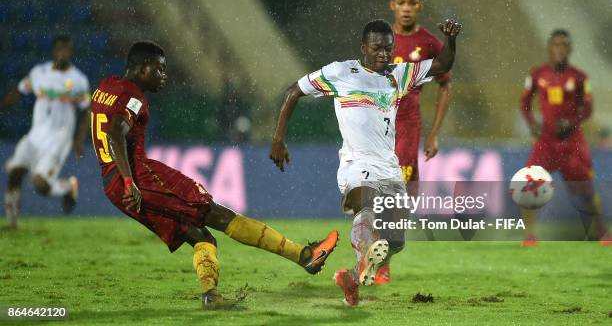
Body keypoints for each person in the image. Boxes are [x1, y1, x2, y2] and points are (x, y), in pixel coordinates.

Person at [90, 41, 338, 309]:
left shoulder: (106, 86)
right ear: (141, 68)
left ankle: (211, 295)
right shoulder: (135, 96)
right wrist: (130, 181)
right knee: (216, 213)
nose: (164, 76)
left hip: (111, 183)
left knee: (201, 236)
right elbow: (115, 132)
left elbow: (102, 124)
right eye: (159, 70)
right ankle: (304, 256)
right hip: (138, 178)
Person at [270, 19, 461, 306]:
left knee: (395, 242)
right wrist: (278, 138)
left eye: (388, 48)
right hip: (356, 162)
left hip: (389, 166)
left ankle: (352, 278)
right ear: (363, 48)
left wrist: (451, 40)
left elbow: (442, 65)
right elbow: (294, 90)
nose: (384, 54)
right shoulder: (341, 72)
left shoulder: (400, 74)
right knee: (366, 207)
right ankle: (363, 256)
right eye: (377, 48)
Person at [520, 29, 610, 247]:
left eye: (564, 44)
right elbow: (524, 103)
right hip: (547, 141)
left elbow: (587, 109)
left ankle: (603, 232)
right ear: (549, 47)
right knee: (527, 183)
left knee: (586, 190)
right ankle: (530, 236)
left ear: (570, 49)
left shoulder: (579, 77)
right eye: (556, 44)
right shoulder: (537, 74)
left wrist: (571, 122)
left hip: (572, 143)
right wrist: (532, 124)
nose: (559, 48)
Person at [2, 35, 87, 229]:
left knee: (40, 185)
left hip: (60, 137)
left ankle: (67, 187)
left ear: (71, 52)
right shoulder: (39, 73)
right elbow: (18, 90)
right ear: (54, 51)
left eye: (67, 50)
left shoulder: (78, 80)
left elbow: (86, 110)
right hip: (35, 134)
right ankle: (12, 223)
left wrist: (79, 139)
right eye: (60, 49)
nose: (63, 53)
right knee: (15, 172)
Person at [390, 0, 452, 183]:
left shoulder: (430, 43)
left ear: (419, 7)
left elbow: (445, 86)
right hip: (377, 123)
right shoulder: (380, 39)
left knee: (400, 184)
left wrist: (433, 133)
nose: (406, 8)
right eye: (401, 3)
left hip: (408, 124)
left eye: (412, 3)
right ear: (393, 6)